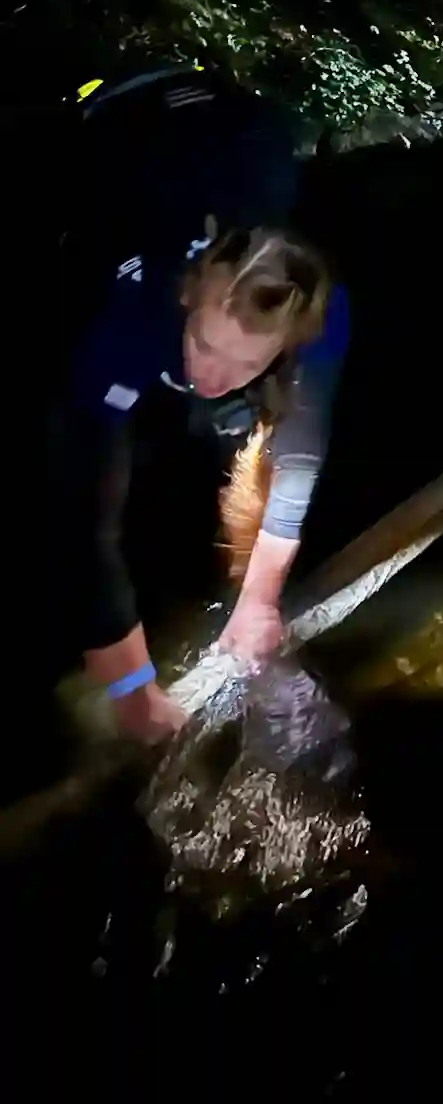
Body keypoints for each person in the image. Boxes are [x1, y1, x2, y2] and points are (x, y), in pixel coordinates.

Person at [49, 68, 348, 743]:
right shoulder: (134, 318)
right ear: (187, 298)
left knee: (246, 421)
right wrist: (128, 683)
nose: (212, 372)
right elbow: (81, 520)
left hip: (248, 126)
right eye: (205, 346)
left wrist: (260, 600)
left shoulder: (321, 319)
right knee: (87, 435)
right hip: (117, 133)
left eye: (247, 362)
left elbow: (301, 451)